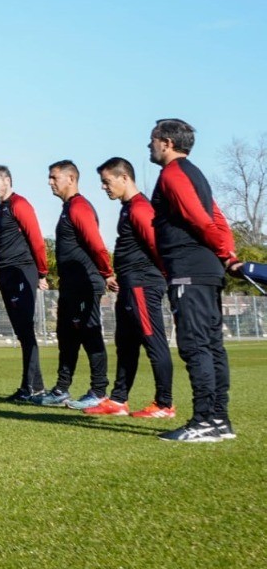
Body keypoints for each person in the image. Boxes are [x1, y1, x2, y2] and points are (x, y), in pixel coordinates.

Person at [149, 119, 239, 442]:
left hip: (191, 269)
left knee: (196, 345)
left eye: (153, 140)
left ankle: (204, 420)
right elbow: (217, 217)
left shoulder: (172, 175)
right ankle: (219, 420)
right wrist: (227, 253)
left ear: (168, 143)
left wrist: (225, 252)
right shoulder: (196, 173)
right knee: (212, 346)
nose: (149, 146)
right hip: (206, 269)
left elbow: (201, 219)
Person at [82, 157, 175, 418]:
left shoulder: (139, 208)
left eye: (106, 181)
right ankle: (119, 400)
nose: (103, 187)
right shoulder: (127, 208)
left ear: (124, 178)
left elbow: (158, 246)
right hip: (129, 285)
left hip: (143, 285)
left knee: (153, 340)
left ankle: (164, 403)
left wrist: (167, 277)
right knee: (125, 344)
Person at [37, 160, 113, 408]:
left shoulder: (79, 207)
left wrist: (108, 273)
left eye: (54, 177)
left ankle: (99, 391)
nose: (50, 182)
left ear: (70, 178)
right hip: (70, 285)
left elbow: (96, 244)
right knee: (67, 336)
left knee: (89, 333)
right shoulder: (67, 208)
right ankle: (61, 389)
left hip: (85, 282)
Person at [0, 165, 49, 403]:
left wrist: (42, 272)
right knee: (22, 332)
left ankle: (29, 387)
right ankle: (36, 387)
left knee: (25, 329)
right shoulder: (1, 209)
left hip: (23, 271)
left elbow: (36, 239)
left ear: (7, 180)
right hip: (7, 274)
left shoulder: (19, 204)